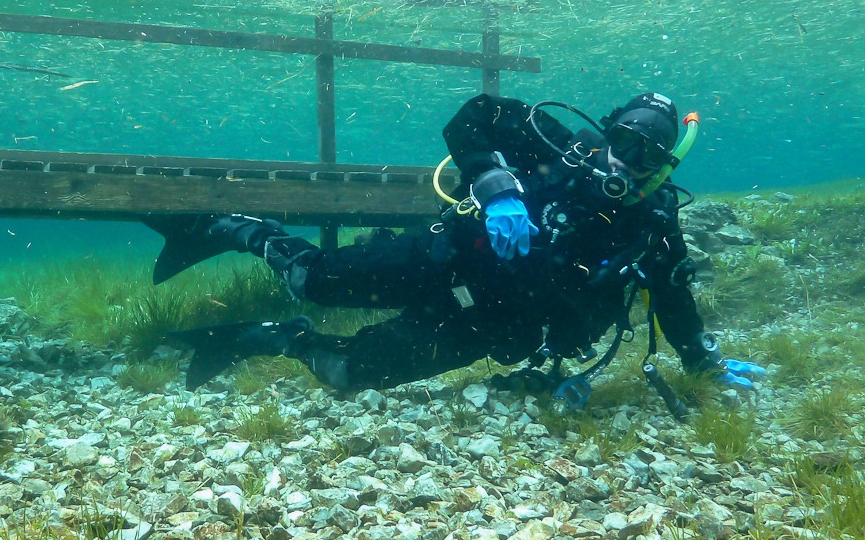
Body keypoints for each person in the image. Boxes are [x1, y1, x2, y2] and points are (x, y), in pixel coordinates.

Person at [147, 92, 764, 410]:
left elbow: (673, 296)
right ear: (606, 130)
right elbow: (473, 117)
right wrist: (495, 184)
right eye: (623, 142)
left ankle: (275, 337)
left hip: (485, 328)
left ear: (665, 166)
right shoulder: (553, 145)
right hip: (441, 260)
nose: (627, 164)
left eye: (648, 157)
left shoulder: (652, 223)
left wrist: (701, 361)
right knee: (313, 279)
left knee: (347, 373)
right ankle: (233, 228)